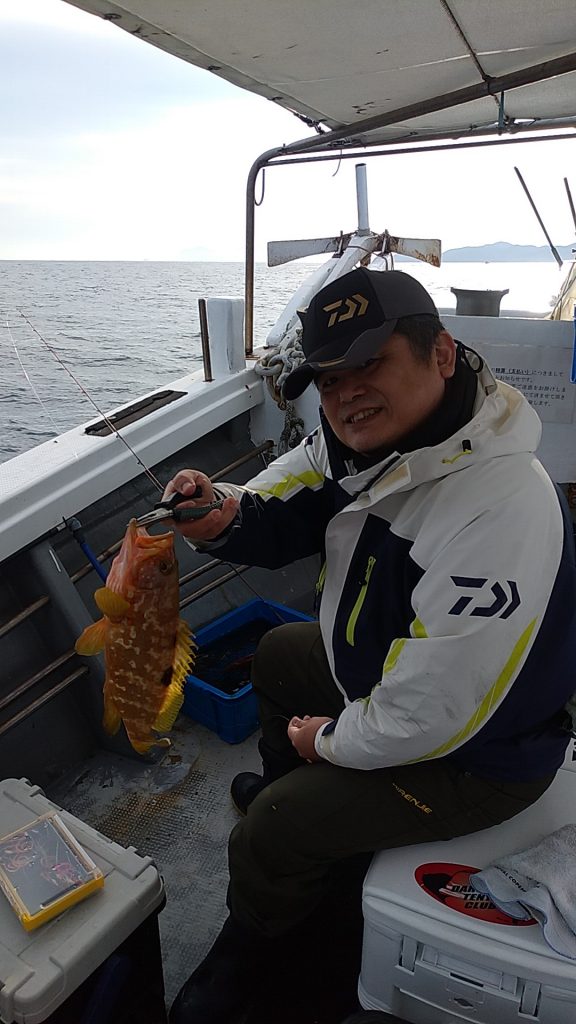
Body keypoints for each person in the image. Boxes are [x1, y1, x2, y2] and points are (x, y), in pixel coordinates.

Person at [167, 267, 576, 1023]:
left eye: (369, 363)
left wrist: (327, 741)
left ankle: (263, 943)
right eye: (327, 377)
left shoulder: (502, 506)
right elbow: (287, 491)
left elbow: (427, 718)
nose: (345, 392)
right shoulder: (364, 440)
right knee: (280, 656)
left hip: (482, 756)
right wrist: (221, 511)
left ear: (442, 354)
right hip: (392, 680)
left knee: (274, 830)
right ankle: (314, 831)